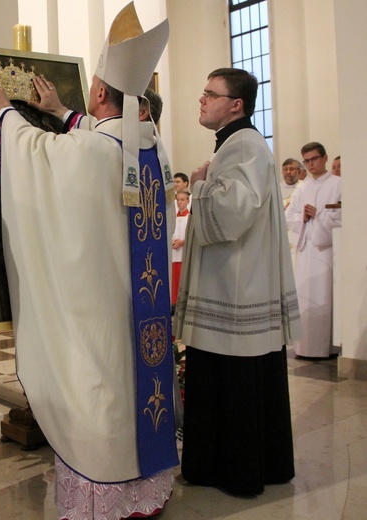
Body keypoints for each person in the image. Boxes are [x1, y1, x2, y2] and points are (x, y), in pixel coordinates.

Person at [0, 4, 176, 519]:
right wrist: (65, 111)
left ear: (102, 93)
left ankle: (104, 493)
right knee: (137, 391)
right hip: (142, 311)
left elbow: (36, 156)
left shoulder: (91, 152)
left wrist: (4, 111)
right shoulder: (148, 152)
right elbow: (95, 139)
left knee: (100, 392)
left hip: (98, 313)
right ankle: (142, 490)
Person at [174, 67, 301, 496]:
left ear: (236, 105)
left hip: (234, 289)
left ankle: (234, 471)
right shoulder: (238, 142)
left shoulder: (244, 144)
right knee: (239, 379)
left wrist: (199, 185)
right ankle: (253, 465)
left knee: (233, 381)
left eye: (211, 94)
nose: (202, 99)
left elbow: (234, 211)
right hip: (233, 284)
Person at [285, 142, 342, 359]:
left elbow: (342, 215)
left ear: (325, 158)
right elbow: (289, 216)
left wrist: (319, 214)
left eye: (314, 159)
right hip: (306, 247)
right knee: (304, 297)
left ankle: (326, 348)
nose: (310, 164)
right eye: (306, 161)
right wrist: (304, 217)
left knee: (325, 296)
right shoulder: (303, 188)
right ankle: (304, 347)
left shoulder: (338, 183)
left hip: (326, 250)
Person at [171, 190, 190, 308]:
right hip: (173, 253)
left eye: (182, 200)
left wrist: (183, 242)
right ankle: (173, 303)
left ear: (188, 201)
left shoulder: (190, 217)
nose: (179, 202)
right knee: (173, 279)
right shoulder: (173, 217)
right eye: (178, 200)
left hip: (184, 253)